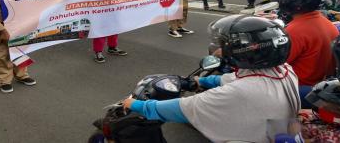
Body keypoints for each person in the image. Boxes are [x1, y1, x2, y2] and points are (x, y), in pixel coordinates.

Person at [123, 15, 299, 142]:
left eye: (225, 45)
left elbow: (184, 107)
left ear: (245, 50)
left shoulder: (241, 91)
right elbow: (235, 79)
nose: (220, 49)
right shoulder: (283, 70)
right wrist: (203, 81)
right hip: (280, 130)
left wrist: (138, 105)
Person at [268, 0, 339, 108]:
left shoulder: (295, 30)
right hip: (321, 85)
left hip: (300, 87)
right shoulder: (327, 23)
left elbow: (274, 65)